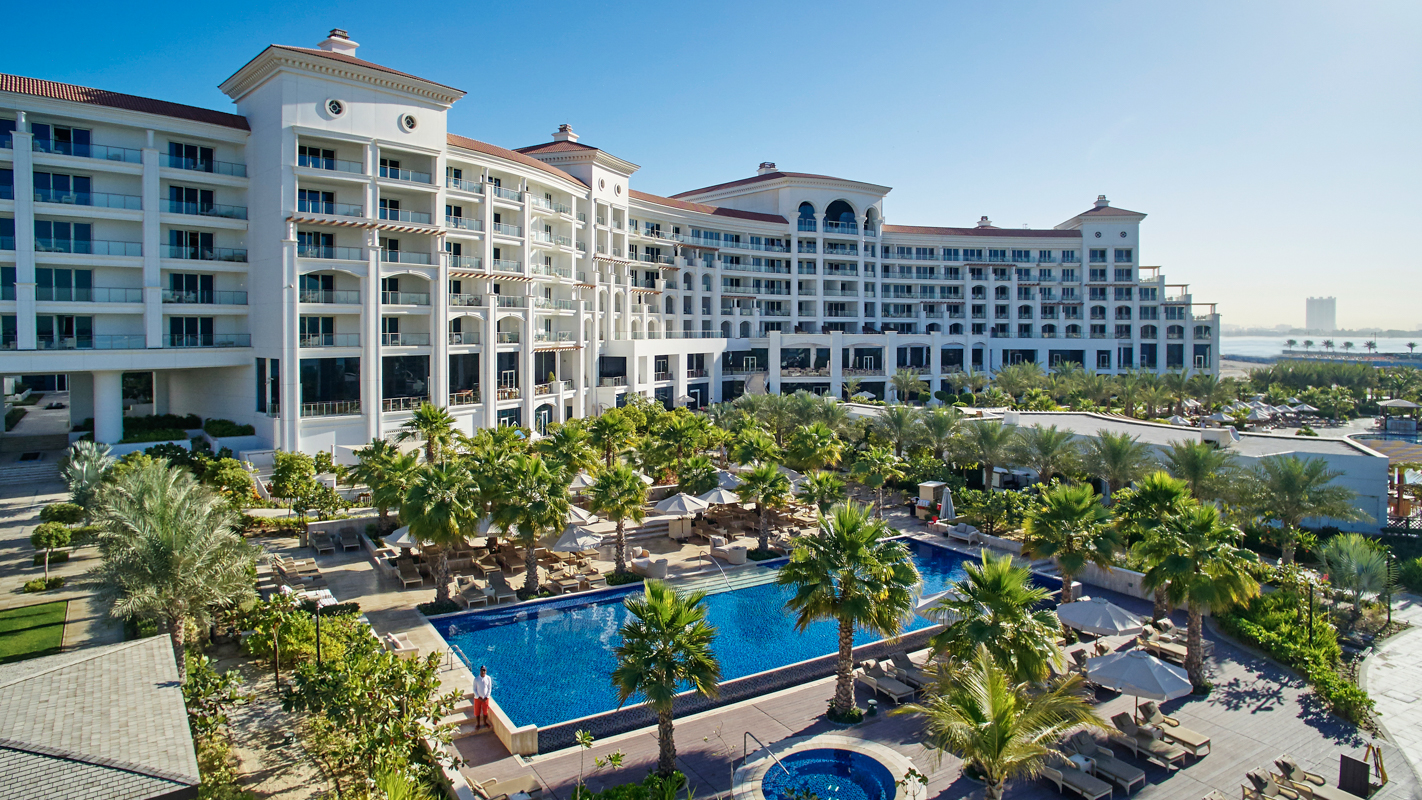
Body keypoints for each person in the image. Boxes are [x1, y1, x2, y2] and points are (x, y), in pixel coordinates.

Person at [471, 665, 493, 731]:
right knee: (477, 711)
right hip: (478, 698)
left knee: (485, 711)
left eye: (484, 670)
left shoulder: (488, 678)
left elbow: (489, 688)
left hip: (485, 698)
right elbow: (474, 689)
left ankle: (485, 722)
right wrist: (478, 697)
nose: (483, 672)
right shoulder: (476, 679)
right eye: (482, 670)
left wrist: (487, 696)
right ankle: (478, 724)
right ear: (480, 670)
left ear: (486, 671)